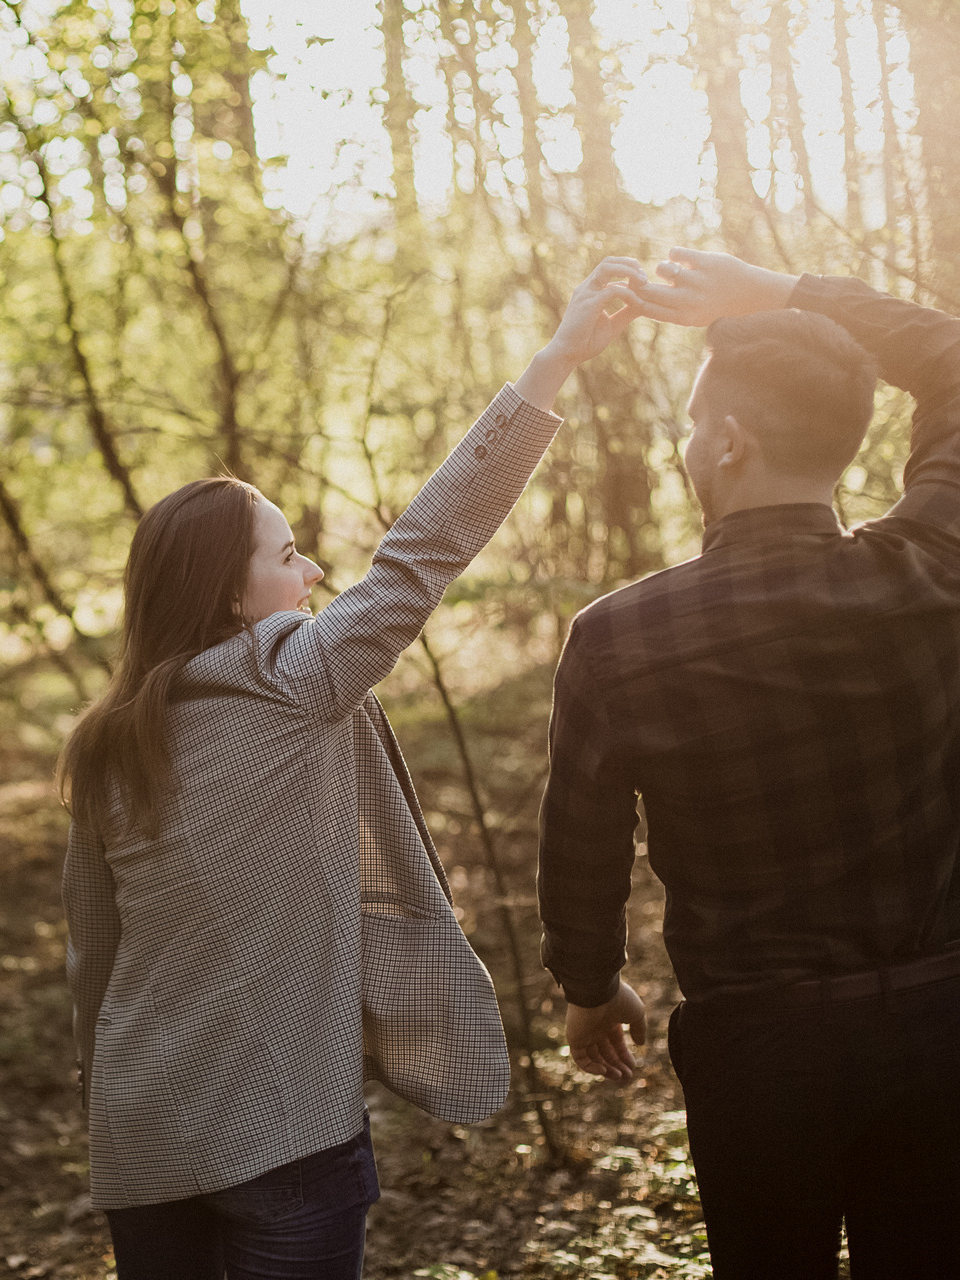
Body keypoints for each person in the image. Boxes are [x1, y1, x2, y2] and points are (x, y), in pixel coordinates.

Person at [57, 260, 646, 1280]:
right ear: (234, 595)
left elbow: (90, 959)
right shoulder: (291, 674)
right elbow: (424, 551)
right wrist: (551, 366)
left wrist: (105, 1094)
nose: (312, 573)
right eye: (288, 555)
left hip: (142, 1131)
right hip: (282, 1128)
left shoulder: (108, 738)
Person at [536, 249, 960, 1280]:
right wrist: (783, 292)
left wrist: (589, 980)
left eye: (694, 422)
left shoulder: (620, 636)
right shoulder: (933, 571)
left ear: (729, 441)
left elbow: (582, 832)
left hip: (760, 1050)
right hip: (945, 1025)